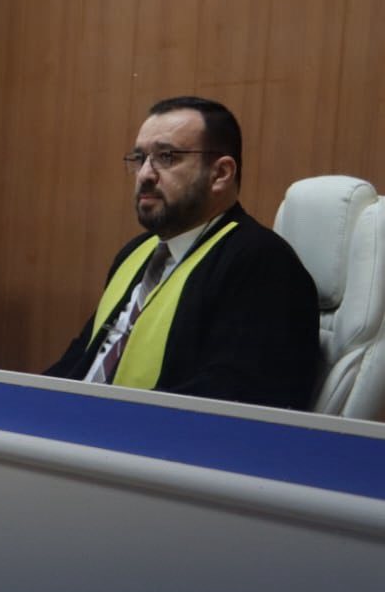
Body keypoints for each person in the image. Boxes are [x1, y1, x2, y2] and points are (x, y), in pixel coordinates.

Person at [45, 96, 319, 409]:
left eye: (167, 157)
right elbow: (81, 360)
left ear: (220, 173)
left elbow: (234, 397)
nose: (145, 174)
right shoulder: (135, 252)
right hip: (79, 424)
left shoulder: (262, 263)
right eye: (140, 158)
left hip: (143, 433)